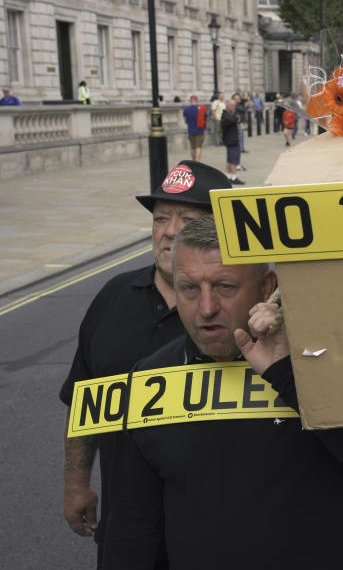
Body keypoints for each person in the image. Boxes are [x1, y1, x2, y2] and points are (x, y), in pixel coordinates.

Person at [103, 216, 343, 569]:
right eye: (189, 288)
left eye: (224, 287)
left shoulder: (318, 362)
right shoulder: (148, 380)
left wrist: (285, 375)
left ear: (266, 287)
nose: (206, 308)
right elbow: (132, 526)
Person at [60, 161, 232, 566]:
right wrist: (75, 482)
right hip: (128, 533)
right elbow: (85, 401)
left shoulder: (238, 307)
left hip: (217, 535)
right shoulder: (113, 296)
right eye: (160, 219)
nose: (170, 231)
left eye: (188, 219)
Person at [221, 99, 243, 184]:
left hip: (232, 139)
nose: (234, 107)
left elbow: (238, 120)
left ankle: (229, 176)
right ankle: (234, 178)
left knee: (230, 159)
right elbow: (233, 120)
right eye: (233, 105)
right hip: (231, 140)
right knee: (233, 159)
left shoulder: (230, 114)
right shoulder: (226, 114)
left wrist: (238, 120)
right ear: (228, 106)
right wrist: (236, 118)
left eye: (234, 105)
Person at [182, 95, 207, 161]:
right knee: (198, 147)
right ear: (196, 100)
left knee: (193, 147)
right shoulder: (201, 108)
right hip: (199, 130)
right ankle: (197, 161)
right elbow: (205, 118)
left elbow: (185, 119)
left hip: (190, 130)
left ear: (190, 100)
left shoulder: (186, 109)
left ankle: (193, 160)